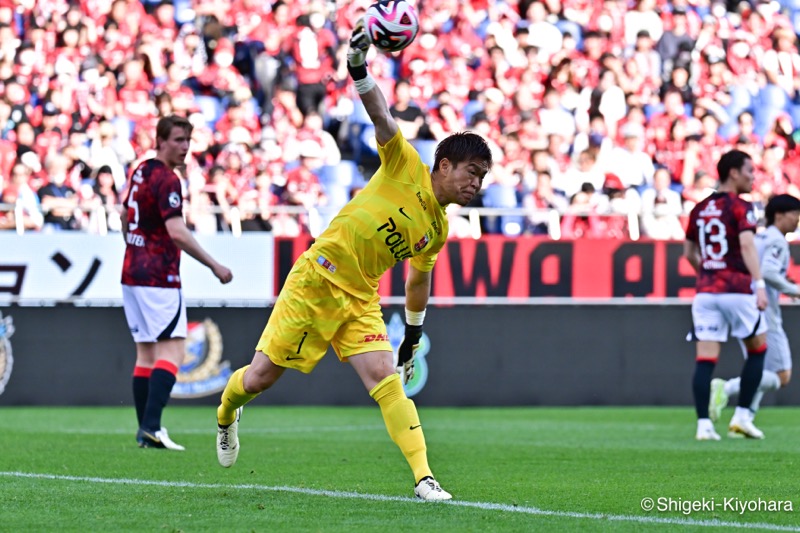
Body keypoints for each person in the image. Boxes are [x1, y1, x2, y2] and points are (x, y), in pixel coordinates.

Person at [214, 21, 493, 501]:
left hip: (361, 295)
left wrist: (413, 334)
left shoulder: (439, 229)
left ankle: (425, 478)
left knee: (386, 380)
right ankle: (225, 412)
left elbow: (416, 283)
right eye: (471, 172)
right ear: (444, 165)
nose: (476, 185)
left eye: (483, 178)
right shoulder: (404, 164)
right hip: (317, 278)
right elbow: (382, 115)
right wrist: (358, 65)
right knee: (259, 378)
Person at [121, 115, 233, 450]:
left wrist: (134, 242)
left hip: (131, 270)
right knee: (173, 349)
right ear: (161, 140)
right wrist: (215, 265)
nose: (184, 147)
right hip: (159, 275)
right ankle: (152, 427)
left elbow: (125, 215)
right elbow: (177, 232)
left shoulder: (141, 170)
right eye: (178, 140)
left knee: (146, 353)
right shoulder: (168, 179)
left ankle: (145, 430)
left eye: (188, 140)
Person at [683, 149, 768, 441]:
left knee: (705, 360)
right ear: (733, 172)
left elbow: (688, 253)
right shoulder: (741, 207)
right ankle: (743, 416)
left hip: (706, 292)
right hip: (737, 289)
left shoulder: (699, 208)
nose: (753, 177)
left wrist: (708, 273)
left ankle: (703, 425)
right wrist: (759, 283)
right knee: (758, 349)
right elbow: (747, 246)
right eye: (749, 170)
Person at [709, 194, 800, 426]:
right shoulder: (777, 240)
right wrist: (795, 290)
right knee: (781, 375)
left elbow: (763, 269)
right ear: (779, 215)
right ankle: (727, 387)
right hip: (764, 311)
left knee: (761, 366)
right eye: (795, 214)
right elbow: (768, 272)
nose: (797, 220)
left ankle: (743, 418)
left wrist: (784, 280)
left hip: (744, 307)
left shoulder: (759, 239)